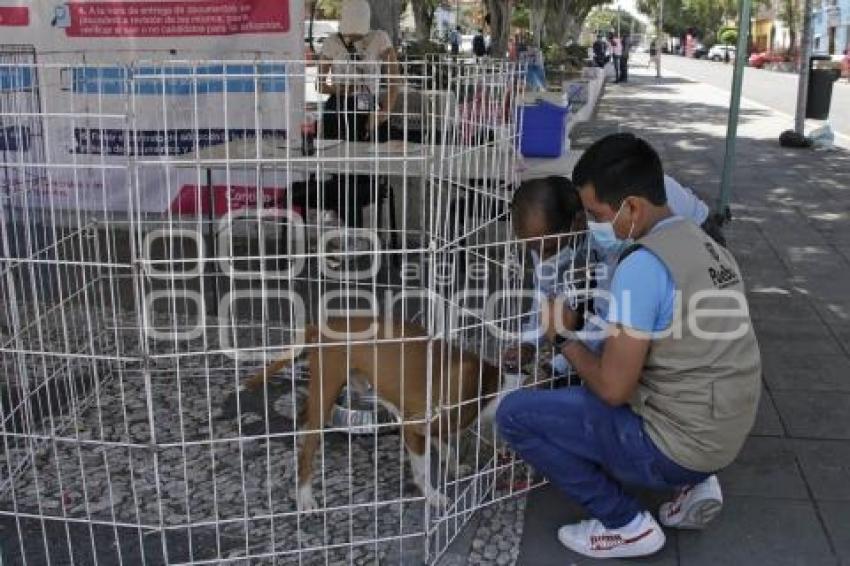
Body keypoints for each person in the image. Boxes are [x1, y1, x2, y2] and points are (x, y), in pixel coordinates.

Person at [497, 133, 761, 559]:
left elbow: (613, 389)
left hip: (680, 443)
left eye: (596, 214)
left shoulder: (640, 266)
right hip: (724, 429)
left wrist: (560, 337)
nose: (593, 226)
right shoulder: (709, 246)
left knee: (515, 416)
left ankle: (626, 523)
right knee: (604, 367)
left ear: (632, 207)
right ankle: (693, 483)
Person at [505, 172, 723, 374]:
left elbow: (610, 315)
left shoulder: (613, 234)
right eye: (533, 249)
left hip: (697, 230)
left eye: (550, 249)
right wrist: (528, 342)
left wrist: (557, 366)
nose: (542, 258)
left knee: (656, 330)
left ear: (578, 222)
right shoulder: (545, 235)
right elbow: (545, 291)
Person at [317, 0, 400, 229]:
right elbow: (319, 84)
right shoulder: (332, 42)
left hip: (366, 104)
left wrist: (386, 110)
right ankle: (342, 217)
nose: (353, 36)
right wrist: (342, 89)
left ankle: (353, 223)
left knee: (362, 163)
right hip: (339, 106)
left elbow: (394, 80)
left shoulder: (379, 38)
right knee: (339, 163)